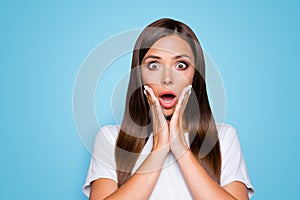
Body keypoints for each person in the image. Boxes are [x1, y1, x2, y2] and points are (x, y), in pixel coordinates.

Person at [83, 18, 254, 199]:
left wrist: (181, 149)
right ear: (139, 74)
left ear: (195, 75)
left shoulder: (223, 138)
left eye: (181, 65)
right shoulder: (110, 139)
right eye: (154, 65)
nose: (167, 79)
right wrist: (159, 148)